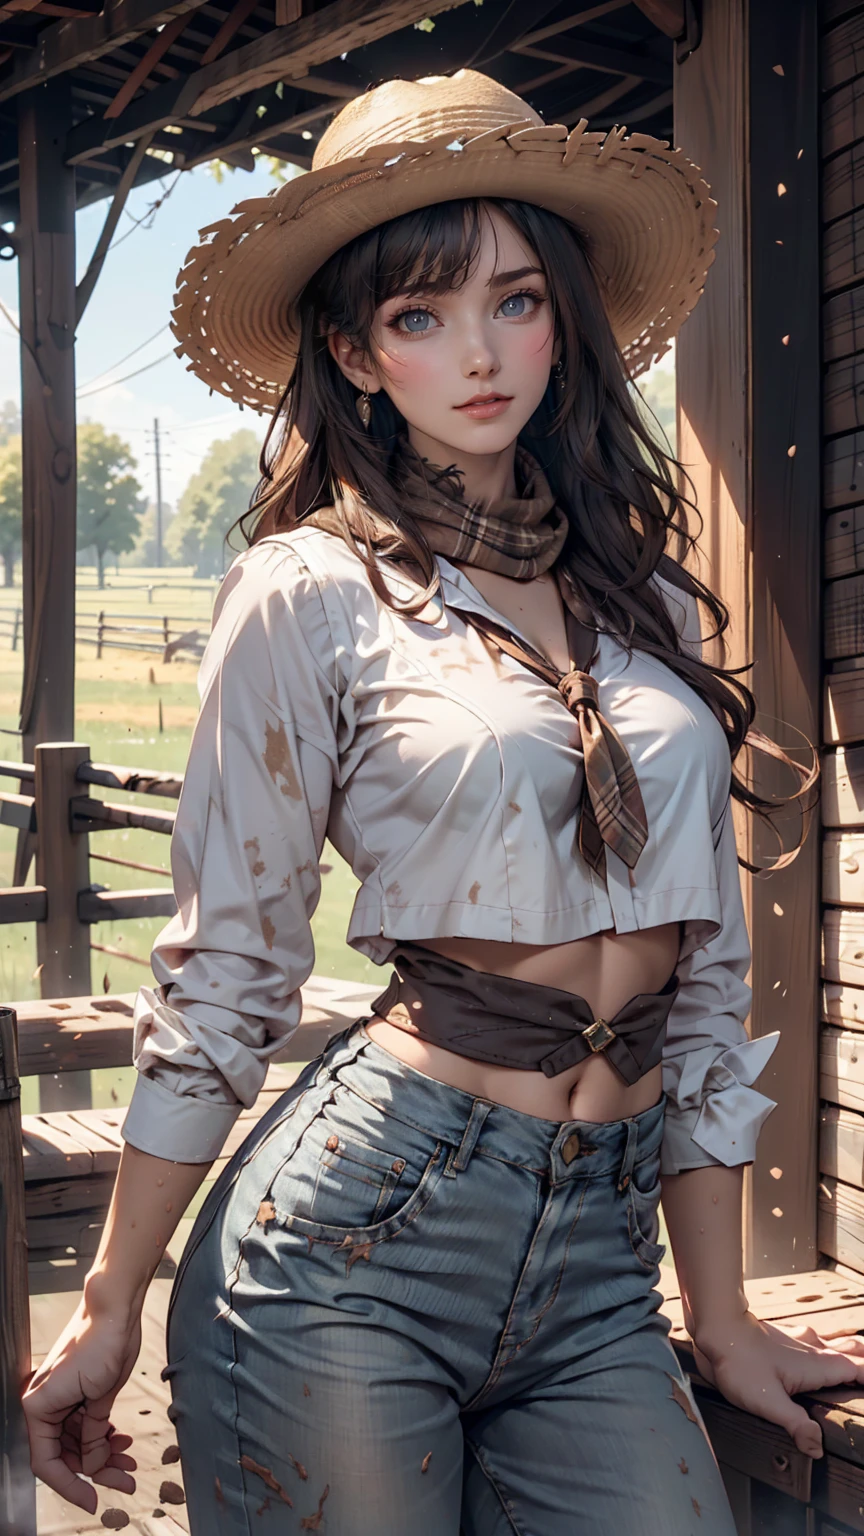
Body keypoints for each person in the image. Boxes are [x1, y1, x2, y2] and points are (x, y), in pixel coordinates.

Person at [22, 68, 861, 1535]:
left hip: (599, 1261)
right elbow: (227, 972)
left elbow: (707, 980)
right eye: (419, 317)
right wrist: (107, 1306)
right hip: (356, 1243)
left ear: (566, 319)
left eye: (515, 301)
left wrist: (718, 1315)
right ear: (355, 353)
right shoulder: (313, 592)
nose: (479, 352)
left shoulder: (651, 605)